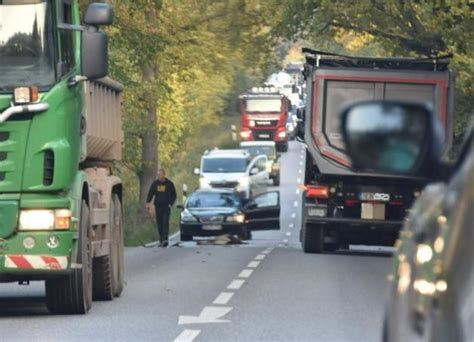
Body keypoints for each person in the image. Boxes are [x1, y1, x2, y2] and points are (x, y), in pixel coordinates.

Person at [146, 168, 177, 247]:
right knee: (159, 223)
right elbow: (150, 193)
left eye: (160, 174)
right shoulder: (155, 184)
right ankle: (161, 239)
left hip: (166, 206)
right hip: (158, 206)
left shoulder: (169, 184)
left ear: (164, 175)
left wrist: (171, 203)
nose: (158, 176)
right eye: (158, 175)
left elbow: (174, 195)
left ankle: (165, 239)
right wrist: (148, 202)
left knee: (165, 222)